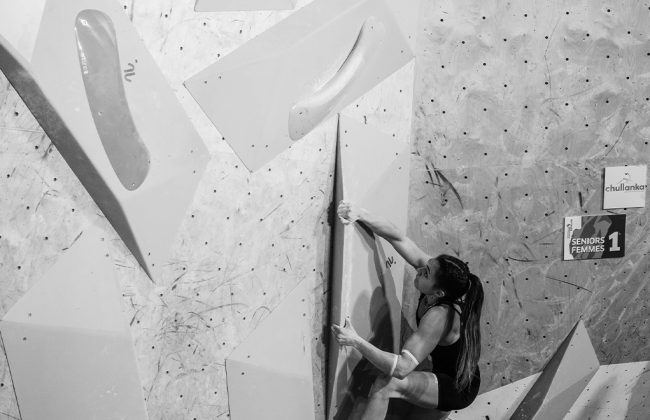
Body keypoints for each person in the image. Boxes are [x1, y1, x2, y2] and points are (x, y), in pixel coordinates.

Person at [332, 201, 484, 420]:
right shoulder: (445, 282)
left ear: (439, 292)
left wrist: (355, 341)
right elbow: (398, 238)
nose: (420, 269)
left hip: (457, 387)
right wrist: (361, 214)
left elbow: (402, 369)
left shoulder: (438, 317)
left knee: (386, 384)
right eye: (427, 266)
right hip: (446, 372)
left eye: (426, 273)